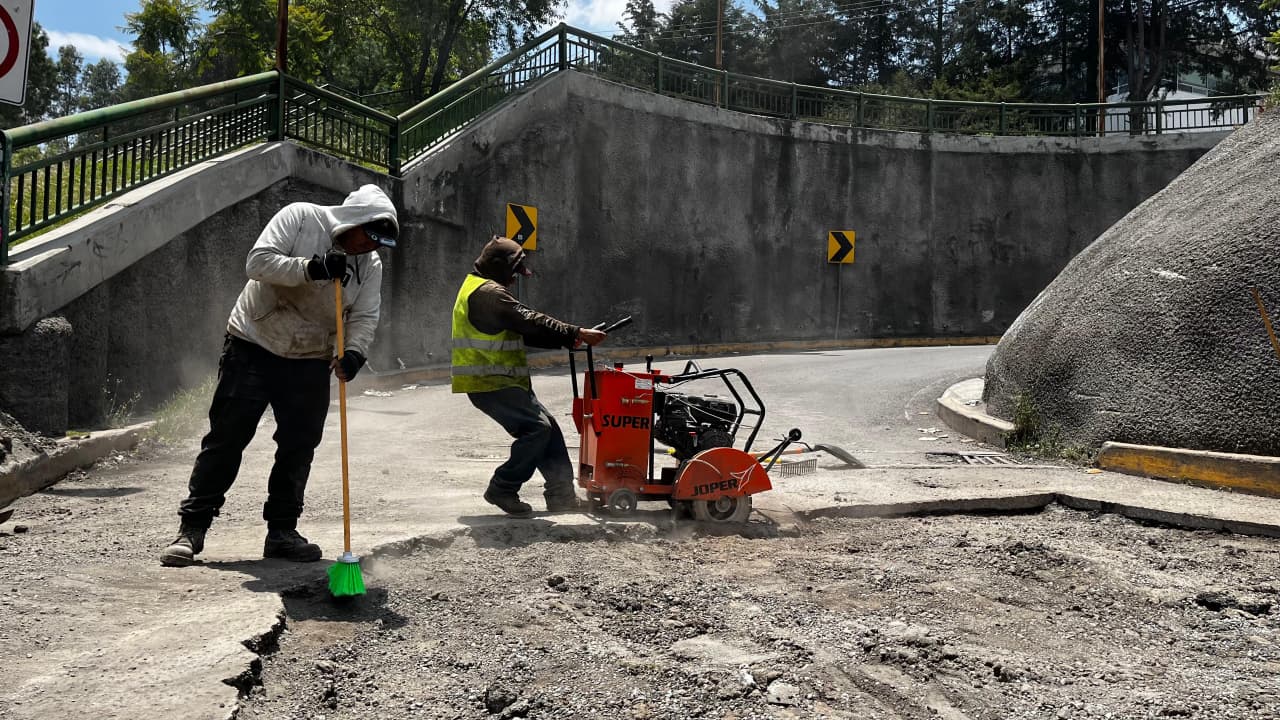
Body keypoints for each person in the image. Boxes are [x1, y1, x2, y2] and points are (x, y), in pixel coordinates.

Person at [160, 184, 399, 566]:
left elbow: (365, 316)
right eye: (369, 237)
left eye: (379, 244)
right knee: (227, 438)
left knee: (299, 445)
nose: (371, 248)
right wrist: (312, 268)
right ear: (354, 220)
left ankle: (282, 532)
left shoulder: (369, 267)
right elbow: (257, 263)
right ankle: (193, 528)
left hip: (309, 356)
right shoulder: (300, 217)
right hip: (253, 342)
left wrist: (353, 353)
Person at [452, 236, 607, 518]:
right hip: (490, 381)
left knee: (548, 427)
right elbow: (529, 320)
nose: (515, 280)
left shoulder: (479, 287)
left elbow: (520, 328)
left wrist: (566, 340)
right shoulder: (489, 294)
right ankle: (503, 487)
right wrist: (575, 333)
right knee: (537, 429)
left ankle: (561, 496)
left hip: (501, 380)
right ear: (499, 266)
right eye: (514, 272)